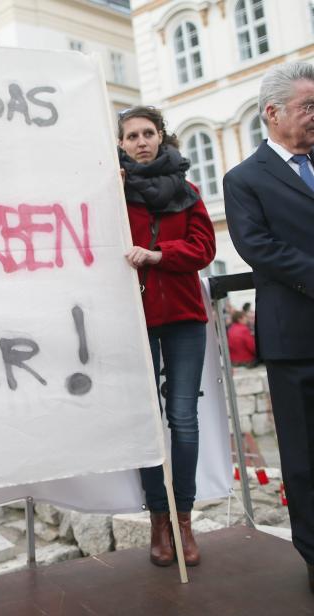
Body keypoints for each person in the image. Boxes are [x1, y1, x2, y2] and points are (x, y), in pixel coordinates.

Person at [223, 60, 314, 594]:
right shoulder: (245, 179)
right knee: (303, 460)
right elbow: (258, 248)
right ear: (272, 113)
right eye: (308, 107)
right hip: (295, 339)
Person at [118, 106, 216, 567]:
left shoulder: (189, 190)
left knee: (183, 417)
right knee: (147, 421)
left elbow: (204, 248)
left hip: (183, 316)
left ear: (161, 137)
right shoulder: (114, 195)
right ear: (121, 144)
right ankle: (158, 518)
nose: (141, 141)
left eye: (148, 132)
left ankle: (183, 519)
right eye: (132, 135)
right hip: (134, 318)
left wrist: (158, 255)